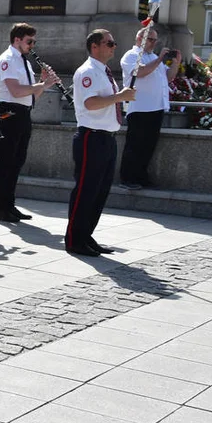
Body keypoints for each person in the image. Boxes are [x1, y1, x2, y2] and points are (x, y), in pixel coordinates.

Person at [67, 29, 136, 256]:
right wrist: (120, 97)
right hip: (91, 137)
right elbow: (91, 103)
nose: (114, 46)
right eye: (109, 43)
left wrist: (119, 96)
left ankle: (86, 235)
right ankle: (74, 240)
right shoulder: (88, 71)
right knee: (86, 191)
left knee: (100, 191)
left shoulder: (104, 71)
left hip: (106, 137)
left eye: (114, 42)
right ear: (94, 46)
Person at [0, 23, 58, 222]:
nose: (32, 45)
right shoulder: (8, 59)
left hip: (22, 112)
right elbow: (16, 91)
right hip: (9, 112)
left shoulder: (25, 62)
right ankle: (1, 207)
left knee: (17, 161)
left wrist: (43, 83)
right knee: (6, 160)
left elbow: (30, 96)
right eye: (30, 41)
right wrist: (41, 84)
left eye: (34, 42)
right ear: (17, 39)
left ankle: (9, 204)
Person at [119, 27, 180, 189]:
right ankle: (127, 178)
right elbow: (140, 72)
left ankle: (141, 176)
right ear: (140, 39)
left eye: (155, 40)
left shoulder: (153, 57)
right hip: (140, 107)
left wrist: (176, 63)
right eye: (151, 39)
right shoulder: (131, 55)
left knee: (148, 146)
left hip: (156, 107)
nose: (154, 43)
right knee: (135, 145)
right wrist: (160, 59)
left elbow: (168, 77)